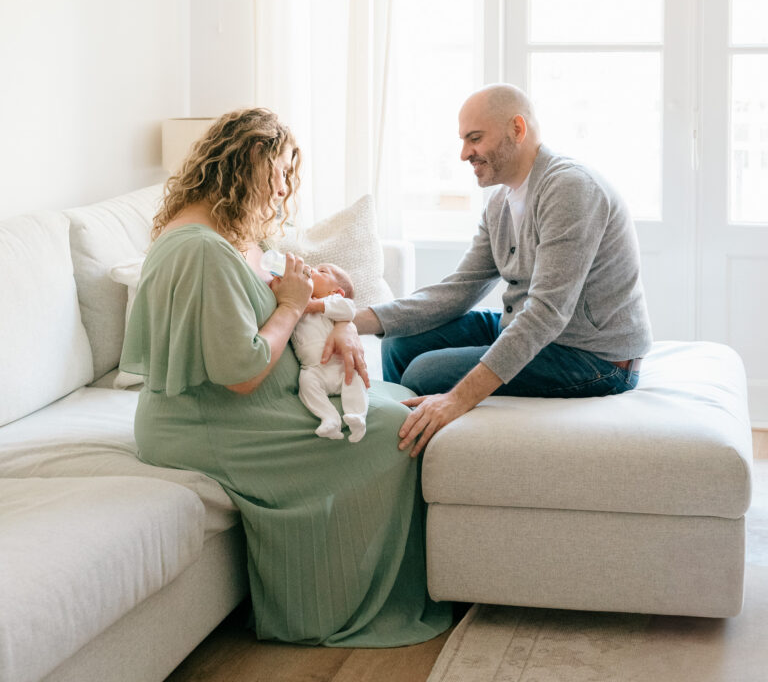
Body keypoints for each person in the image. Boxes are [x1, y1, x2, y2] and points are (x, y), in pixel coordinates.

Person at [119, 108, 451, 647]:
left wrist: (339, 325)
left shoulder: (230, 235)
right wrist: (295, 309)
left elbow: (301, 291)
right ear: (249, 162)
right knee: (391, 429)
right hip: (214, 423)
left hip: (244, 408)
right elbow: (243, 374)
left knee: (394, 397)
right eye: (280, 171)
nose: (283, 188)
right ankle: (334, 602)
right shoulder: (201, 250)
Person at [353, 83, 653, 458]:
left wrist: (455, 400)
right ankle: (406, 455)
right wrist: (350, 321)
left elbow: (546, 314)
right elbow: (459, 289)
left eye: (474, 138)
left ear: (517, 129)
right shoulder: (499, 202)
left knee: (423, 374)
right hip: (532, 331)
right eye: (463, 140)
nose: (464, 154)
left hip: (594, 356)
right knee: (400, 341)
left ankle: (420, 443)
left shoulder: (570, 189)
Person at [284, 262, 369, 442]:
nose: (312, 270)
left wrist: (316, 305)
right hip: (313, 368)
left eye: (321, 271)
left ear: (336, 292)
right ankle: (329, 418)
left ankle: (357, 416)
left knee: (354, 380)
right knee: (306, 384)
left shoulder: (334, 303)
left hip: (339, 366)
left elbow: (349, 310)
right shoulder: (298, 302)